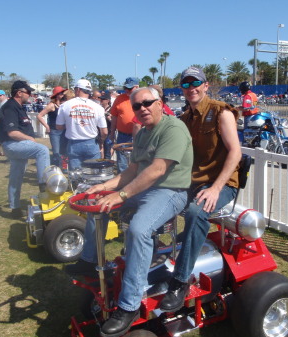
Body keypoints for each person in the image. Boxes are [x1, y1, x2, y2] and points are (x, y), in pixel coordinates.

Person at [65, 87, 193, 337]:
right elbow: (132, 171)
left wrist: (122, 194)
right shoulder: (143, 133)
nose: (142, 108)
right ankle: (90, 261)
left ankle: (129, 305)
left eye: (147, 103)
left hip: (171, 191)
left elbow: (157, 170)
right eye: (137, 106)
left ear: (160, 103)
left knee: (138, 229)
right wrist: (103, 187)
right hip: (145, 189)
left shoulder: (174, 129)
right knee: (97, 206)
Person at [160, 66, 241, 312]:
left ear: (206, 86)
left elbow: (236, 152)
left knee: (197, 212)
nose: (190, 88)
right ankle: (149, 260)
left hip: (222, 184)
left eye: (196, 83)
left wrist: (216, 188)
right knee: (153, 201)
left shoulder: (221, 112)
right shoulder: (183, 119)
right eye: (185, 84)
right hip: (194, 183)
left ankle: (180, 281)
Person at [0, 80, 50, 219]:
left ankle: (15, 208)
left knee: (16, 177)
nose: (31, 95)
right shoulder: (10, 107)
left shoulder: (19, 107)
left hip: (16, 145)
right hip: (13, 144)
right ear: (19, 93)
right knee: (42, 150)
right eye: (28, 92)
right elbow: (12, 132)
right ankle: (45, 186)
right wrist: (30, 139)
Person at [56, 79, 107, 170]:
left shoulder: (65, 105)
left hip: (73, 143)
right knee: (93, 173)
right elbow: (104, 131)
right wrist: (101, 141)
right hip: (92, 142)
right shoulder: (98, 107)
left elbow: (59, 126)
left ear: (78, 89)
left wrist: (70, 125)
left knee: (76, 175)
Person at [110, 77, 139, 173]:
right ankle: (121, 185)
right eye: (125, 88)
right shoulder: (119, 99)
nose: (127, 90)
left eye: (130, 88)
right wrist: (112, 133)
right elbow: (114, 117)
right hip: (122, 136)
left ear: (137, 87)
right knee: (122, 164)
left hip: (140, 136)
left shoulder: (142, 98)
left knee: (138, 162)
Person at [36, 86, 67, 167]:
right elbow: (39, 115)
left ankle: (63, 167)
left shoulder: (63, 104)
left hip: (64, 131)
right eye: (61, 93)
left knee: (63, 151)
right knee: (56, 152)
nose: (63, 95)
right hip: (54, 131)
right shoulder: (51, 105)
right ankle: (56, 168)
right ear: (57, 95)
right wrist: (47, 126)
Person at [100, 92, 113, 159]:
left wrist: (109, 118)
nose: (101, 101)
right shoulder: (99, 109)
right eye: (101, 99)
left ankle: (108, 168)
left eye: (103, 99)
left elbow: (114, 122)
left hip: (109, 133)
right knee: (101, 152)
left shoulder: (112, 110)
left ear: (108, 100)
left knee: (107, 153)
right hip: (101, 133)